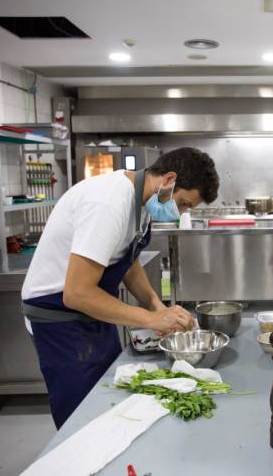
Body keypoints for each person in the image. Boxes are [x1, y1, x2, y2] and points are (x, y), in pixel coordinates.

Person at [21, 147, 219, 427]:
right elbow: (77, 293)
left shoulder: (143, 201)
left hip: (93, 314)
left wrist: (156, 305)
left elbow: (126, 259)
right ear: (169, 179)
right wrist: (151, 319)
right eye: (184, 203)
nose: (181, 212)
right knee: (81, 419)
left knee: (108, 400)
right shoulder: (109, 203)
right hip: (59, 321)